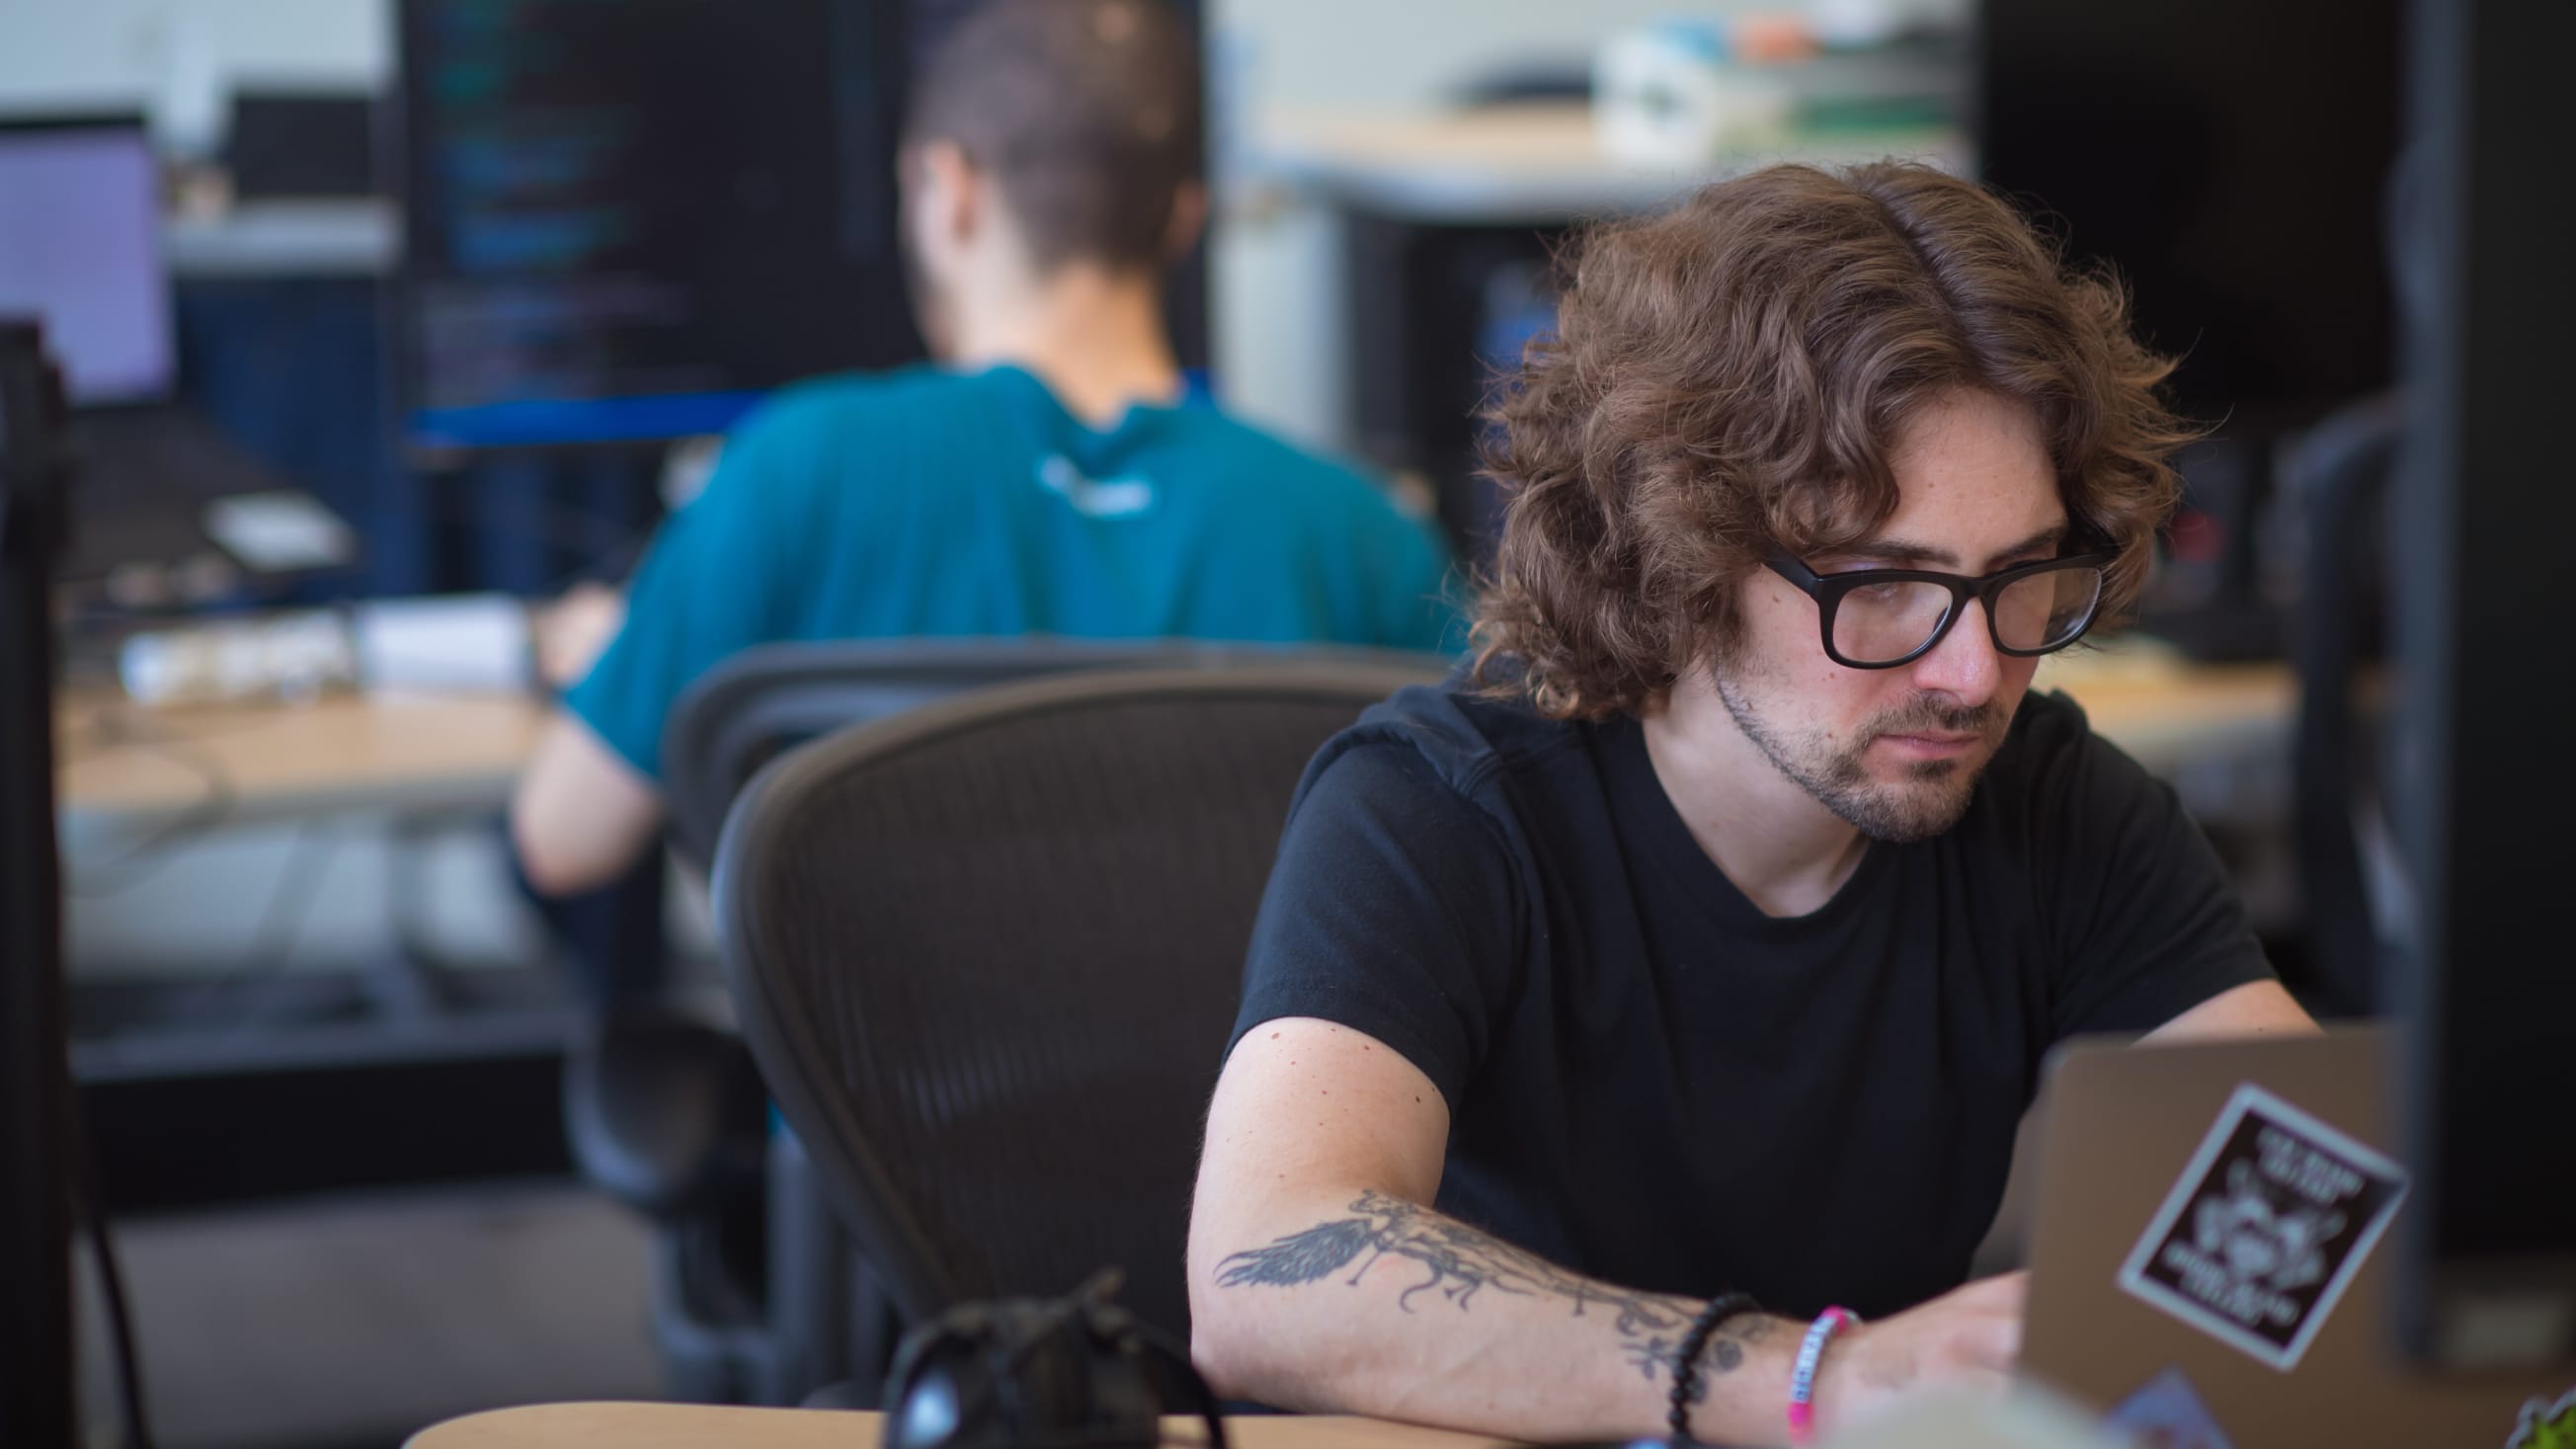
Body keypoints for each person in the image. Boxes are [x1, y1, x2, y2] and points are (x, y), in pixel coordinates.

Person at [1185, 162, 2315, 1446]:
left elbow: (2335, 1178)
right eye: (1883, 581)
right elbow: (1260, 1268)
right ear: (1685, 550)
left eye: (2021, 575)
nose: (1975, 669)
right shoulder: (1439, 808)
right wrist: (1806, 1380)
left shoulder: (2055, 803)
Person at [511, 0, 1458, 897]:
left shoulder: (795, 471)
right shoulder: (1367, 535)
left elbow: (563, 839)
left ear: (948, 189)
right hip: (1247, 1077)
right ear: (1183, 216)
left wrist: (635, 652)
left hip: (862, 1080)